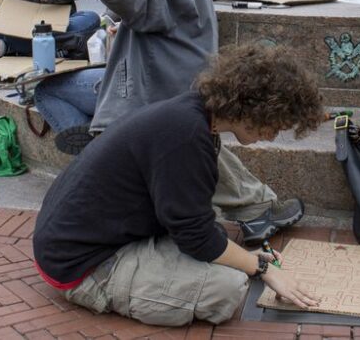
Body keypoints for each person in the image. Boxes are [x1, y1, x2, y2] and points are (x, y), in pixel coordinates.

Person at [34, 0, 305, 243]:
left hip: (152, 89)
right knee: (193, 145)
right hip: (168, 83)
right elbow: (147, 2)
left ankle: (98, 148)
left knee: (48, 91)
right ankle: (258, 207)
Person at [33, 43, 321, 327]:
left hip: (87, 237)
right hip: (81, 265)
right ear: (252, 108)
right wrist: (262, 268)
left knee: (222, 247)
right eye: (275, 124)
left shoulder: (194, 114)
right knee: (226, 289)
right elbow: (197, 237)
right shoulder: (186, 135)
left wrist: (244, 258)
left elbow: (193, 227)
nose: (272, 136)